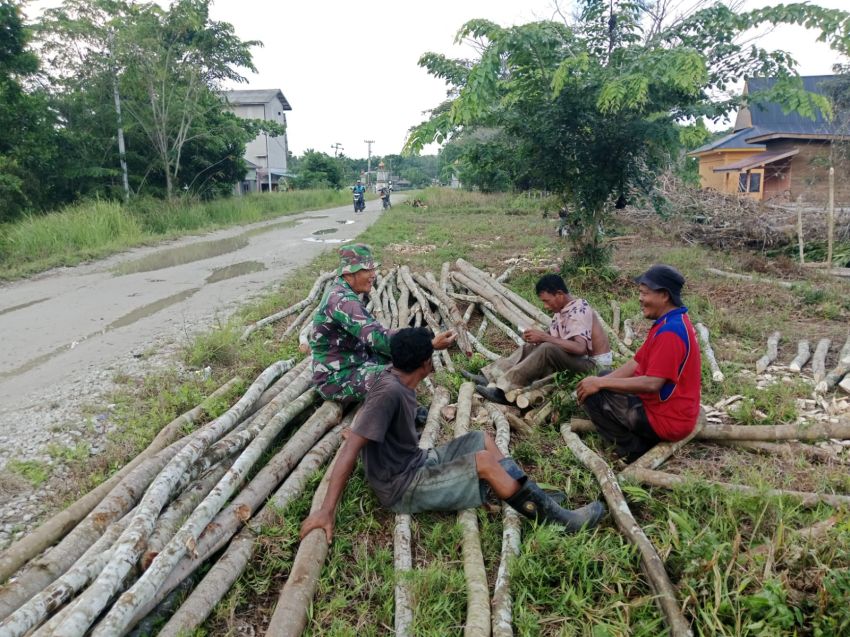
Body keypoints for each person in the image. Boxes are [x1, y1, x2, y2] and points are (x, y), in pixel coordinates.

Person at [300, 328, 607, 543]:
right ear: (425, 363)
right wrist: (326, 512)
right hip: (401, 486)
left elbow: (367, 426)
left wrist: (432, 343)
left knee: (480, 439)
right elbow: (352, 448)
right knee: (484, 462)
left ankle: (533, 494)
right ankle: (558, 520)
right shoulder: (389, 393)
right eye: (430, 354)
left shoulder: (397, 373)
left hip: (414, 460)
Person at [576, 264, 702, 462]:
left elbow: (653, 383)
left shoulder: (670, 333)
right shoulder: (669, 321)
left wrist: (599, 385)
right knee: (601, 379)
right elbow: (636, 362)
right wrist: (600, 381)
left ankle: (633, 450)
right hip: (672, 408)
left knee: (595, 397)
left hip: (668, 419)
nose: (640, 299)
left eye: (645, 293)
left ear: (664, 295)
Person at [309, 243, 455, 406]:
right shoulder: (342, 302)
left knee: (405, 359)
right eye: (366, 270)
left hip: (356, 360)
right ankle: (399, 417)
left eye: (373, 269)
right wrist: (430, 344)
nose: (373, 275)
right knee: (399, 377)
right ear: (349, 273)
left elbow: (379, 336)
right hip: (335, 379)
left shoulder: (342, 291)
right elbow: (378, 338)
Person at [471, 274, 612, 405]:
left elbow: (580, 348)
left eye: (547, 301)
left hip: (595, 367)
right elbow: (552, 337)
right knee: (531, 347)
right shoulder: (561, 310)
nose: (545, 306)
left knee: (547, 348)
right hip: (578, 359)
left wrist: (544, 337)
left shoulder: (579, 309)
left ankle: (504, 390)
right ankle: (491, 376)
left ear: (559, 295)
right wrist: (534, 337)